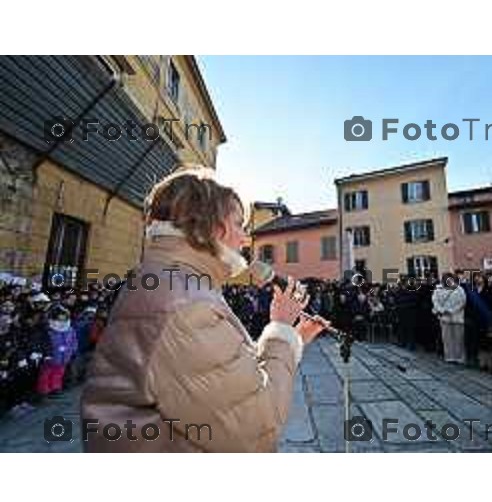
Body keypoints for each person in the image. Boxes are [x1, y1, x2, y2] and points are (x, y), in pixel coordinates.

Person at [81, 167, 328, 453]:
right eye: (239, 225)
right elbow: (256, 426)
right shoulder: (185, 304)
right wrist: (280, 329)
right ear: (213, 227)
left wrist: (292, 338)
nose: (245, 239)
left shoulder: (176, 282)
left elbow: (227, 379)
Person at [432, 277, 467, 364]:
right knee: (447, 339)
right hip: (444, 317)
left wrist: (452, 310)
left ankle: (459, 357)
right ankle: (449, 356)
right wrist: (441, 310)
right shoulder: (438, 289)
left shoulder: (459, 289)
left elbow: (462, 302)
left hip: (457, 317)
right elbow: (435, 301)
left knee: (459, 339)